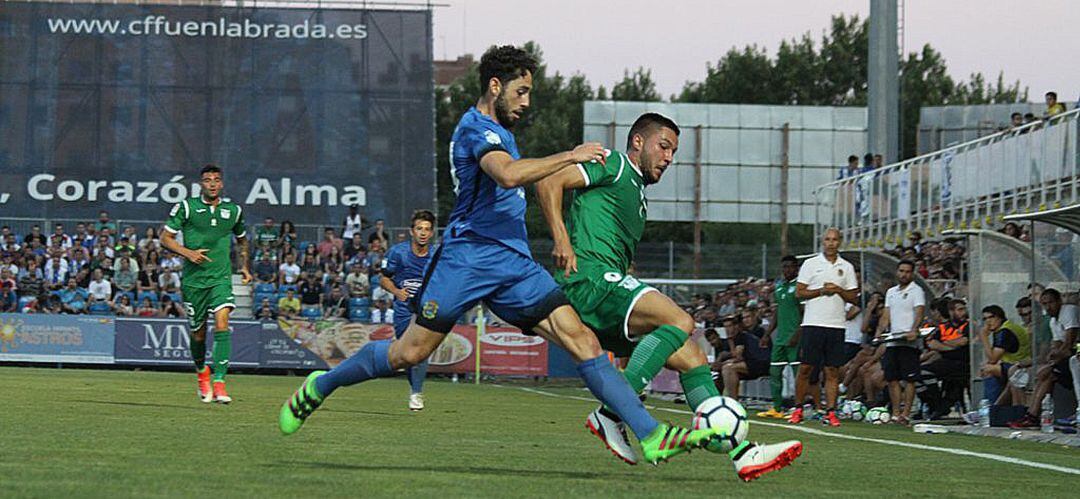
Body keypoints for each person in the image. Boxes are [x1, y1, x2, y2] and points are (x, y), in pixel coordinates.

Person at [278, 45, 717, 466]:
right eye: (520, 91)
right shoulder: (475, 128)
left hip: (515, 264)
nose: (526, 102)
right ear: (494, 85)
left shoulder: (503, 132)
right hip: (467, 259)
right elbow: (507, 176)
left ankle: (650, 435)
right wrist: (571, 154)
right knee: (407, 355)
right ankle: (323, 384)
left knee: (582, 341)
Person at [536, 112, 800, 476]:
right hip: (589, 280)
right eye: (664, 146)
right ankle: (612, 412)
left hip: (607, 285)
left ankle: (743, 453)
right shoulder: (613, 164)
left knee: (692, 356)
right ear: (639, 142)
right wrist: (562, 239)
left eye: (674, 152)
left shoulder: (637, 196)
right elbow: (549, 181)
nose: (669, 158)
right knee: (680, 319)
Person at [161, 164, 252, 404]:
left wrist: (244, 266)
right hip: (193, 281)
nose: (212, 183)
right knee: (198, 334)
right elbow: (165, 238)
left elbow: (242, 240)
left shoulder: (233, 211)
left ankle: (220, 382)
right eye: (207, 180)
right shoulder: (187, 207)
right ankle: (202, 372)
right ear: (201, 184)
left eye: (216, 179)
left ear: (221, 184)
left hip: (220, 278)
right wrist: (187, 253)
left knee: (222, 322)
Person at [790, 228, 859, 427]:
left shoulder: (845, 267)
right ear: (823, 242)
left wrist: (838, 290)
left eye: (834, 239)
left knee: (832, 371)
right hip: (813, 323)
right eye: (827, 239)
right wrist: (821, 290)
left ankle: (830, 411)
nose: (831, 243)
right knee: (805, 368)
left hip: (836, 324)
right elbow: (799, 292)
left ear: (840, 242)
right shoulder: (811, 264)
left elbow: (854, 296)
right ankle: (798, 408)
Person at [379, 209, 437, 411]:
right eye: (419, 228)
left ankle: (416, 393)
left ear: (431, 233)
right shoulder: (397, 252)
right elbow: (383, 278)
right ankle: (415, 389)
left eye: (427, 229)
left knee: (420, 350)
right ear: (412, 231)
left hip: (426, 309)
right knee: (407, 355)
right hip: (403, 309)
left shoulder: (437, 255)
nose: (423, 232)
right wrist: (396, 291)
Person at [1009, 289, 1077, 428]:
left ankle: (1032, 415)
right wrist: (1052, 358)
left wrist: (1052, 362)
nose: (1048, 307)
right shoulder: (1053, 321)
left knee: (1047, 373)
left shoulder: (1069, 311)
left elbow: (1068, 345)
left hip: (1075, 356)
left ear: (1059, 301)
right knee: (1042, 374)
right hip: (1068, 359)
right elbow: (1056, 347)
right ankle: (1029, 414)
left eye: (1050, 303)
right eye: (1044, 304)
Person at [875, 261, 926, 425]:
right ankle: (896, 413)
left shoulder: (917, 291)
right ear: (897, 272)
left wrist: (913, 329)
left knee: (910, 379)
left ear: (912, 274)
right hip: (893, 340)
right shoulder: (891, 292)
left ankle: (906, 413)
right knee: (892, 378)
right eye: (902, 271)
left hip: (908, 341)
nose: (904, 274)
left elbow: (919, 312)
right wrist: (880, 330)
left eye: (908, 272)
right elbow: (886, 315)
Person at [757, 255, 802, 419]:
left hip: (795, 338)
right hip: (780, 338)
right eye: (784, 267)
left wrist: (798, 333)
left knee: (799, 375)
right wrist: (767, 334)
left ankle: (800, 408)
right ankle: (777, 408)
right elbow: (777, 312)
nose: (787, 270)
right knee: (774, 372)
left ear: (797, 268)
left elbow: (805, 313)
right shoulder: (780, 287)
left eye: (790, 267)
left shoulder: (800, 287)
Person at [977, 304, 1030, 404]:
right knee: (987, 367)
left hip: (1020, 365)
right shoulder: (1003, 329)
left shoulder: (1005, 331)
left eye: (991, 317)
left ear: (1000, 317)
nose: (988, 321)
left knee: (988, 370)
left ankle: (990, 408)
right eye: (985, 319)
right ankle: (995, 407)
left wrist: (984, 337)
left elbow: (993, 358)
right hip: (1013, 364)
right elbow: (992, 357)